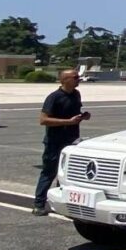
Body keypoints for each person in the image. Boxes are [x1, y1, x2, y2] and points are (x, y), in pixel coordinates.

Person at [33, 69, 90, 216]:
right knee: (49, 172)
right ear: (65, 80)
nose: (79, 79)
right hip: (54, 141)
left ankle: (60, 204)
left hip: (72, 141)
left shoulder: (76, 95)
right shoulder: (54, 97)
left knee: (66, 174)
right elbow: (43, 120)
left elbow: (74, 113)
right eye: (76, 77)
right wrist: (68, 122)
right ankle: (38, 204)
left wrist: (83, 116)